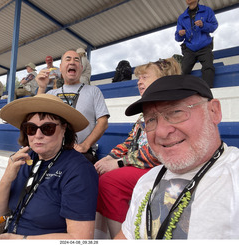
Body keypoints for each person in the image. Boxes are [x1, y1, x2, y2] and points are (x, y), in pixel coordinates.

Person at [116, 74, 239, 239]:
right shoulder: (147, 181)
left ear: (213, 111)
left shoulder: (234, 176)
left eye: (175, 112)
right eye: (151, 119)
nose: (161, 131)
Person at [0, 93, 98, 239]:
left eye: (47, 128)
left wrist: (21, 240)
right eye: (31, 128)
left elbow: (81, 239)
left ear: (64, 129)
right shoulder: (25, 159)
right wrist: (7, 178)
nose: (38, 135)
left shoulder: (79, 170)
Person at [94, 57, 181, 239]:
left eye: (145, 77)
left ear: (162, 79)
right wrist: (110, 157)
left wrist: (119, 163)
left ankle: (120, 236)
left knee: (109, 181)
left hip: (161, 169)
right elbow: (129, 142)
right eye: (138, 78)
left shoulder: (171, 107)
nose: (139, 82)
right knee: (97, 173)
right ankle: (100, 234)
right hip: (140, 166)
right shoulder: (145, 113)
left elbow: (159, 151)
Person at [36, 49, 109, 164]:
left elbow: (103, 122)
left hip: (80, 153)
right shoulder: (51, 94)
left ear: (81, 67)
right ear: (60, 68)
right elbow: (37, 117)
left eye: (76, 60)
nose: (72, 62)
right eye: (68, 59)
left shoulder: (93, 91)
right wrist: (41, 88)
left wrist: (85, 145)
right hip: (52, 150)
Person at [175, 0, 218, 88]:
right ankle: (182, 92)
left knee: (208, 67)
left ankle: (207, 91)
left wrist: (203, 25)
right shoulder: (182, 17)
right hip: (189, 49)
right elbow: (177, 38)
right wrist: (180, 34)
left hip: (204, 47)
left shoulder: (207, 10)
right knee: (182, 71)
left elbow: (214, 26)